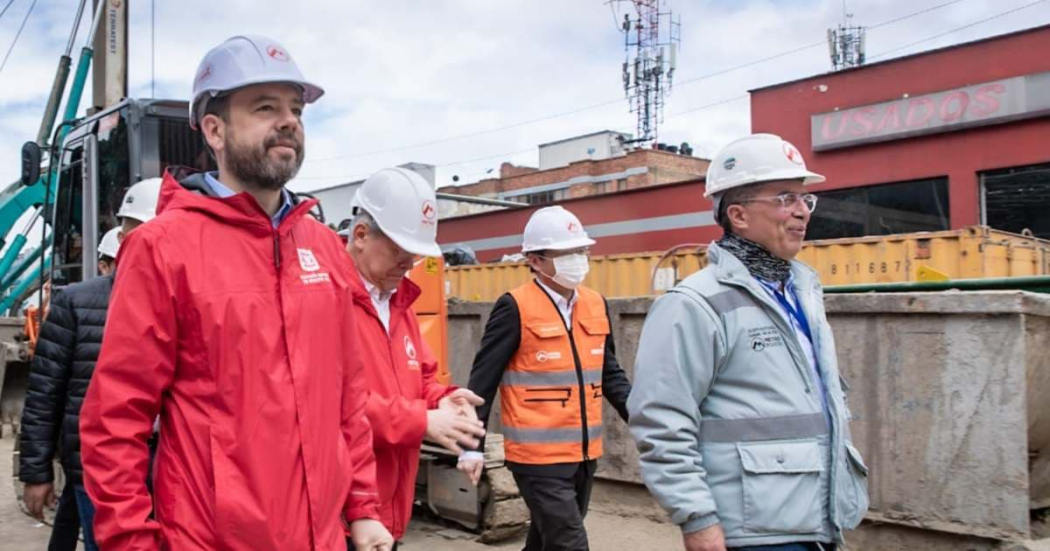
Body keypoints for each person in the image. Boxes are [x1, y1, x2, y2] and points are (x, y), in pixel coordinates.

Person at [78, 35, 392, 551]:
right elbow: (116, 418)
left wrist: (362, 507)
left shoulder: (323, 248)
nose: (288, 120)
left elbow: (347, 400)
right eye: (265, 107)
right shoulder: (163, 247)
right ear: (215, 130)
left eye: (295, 109)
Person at [628, 134, 870, 551]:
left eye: (804, 199)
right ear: (738, 216)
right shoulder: (694, 304)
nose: (801, 212)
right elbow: (662, 421)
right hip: (750, 531)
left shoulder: (802, 292)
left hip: (816, 520)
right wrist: (697, 520)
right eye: (785, 198)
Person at [459, 205, 632, 551]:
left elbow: (609, 374)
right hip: (536, 459)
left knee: (546, 542)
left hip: (584, 455)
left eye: (581, 251)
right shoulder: (515, 307)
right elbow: (482, 384)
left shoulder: (596, 304)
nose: (578, 260)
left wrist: (647, 419)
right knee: (570, 543)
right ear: (535, 261)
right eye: (566, 253)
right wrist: (471, 447)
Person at [342, 167, 486, 548]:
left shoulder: (399, 303)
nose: (409, 265)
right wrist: (422, 419)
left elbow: (421, 379)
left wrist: (446, 399)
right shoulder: (326, 301)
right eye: (401, 252)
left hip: (391, 507)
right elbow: (331, 404)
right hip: (342, 514)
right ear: (360, 235)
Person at [18, 177, 161, 551]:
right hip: (96, 472)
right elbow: (44, 395)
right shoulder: (76, 303)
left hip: (169, 472)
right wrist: (36, 472)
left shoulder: (186, 300)